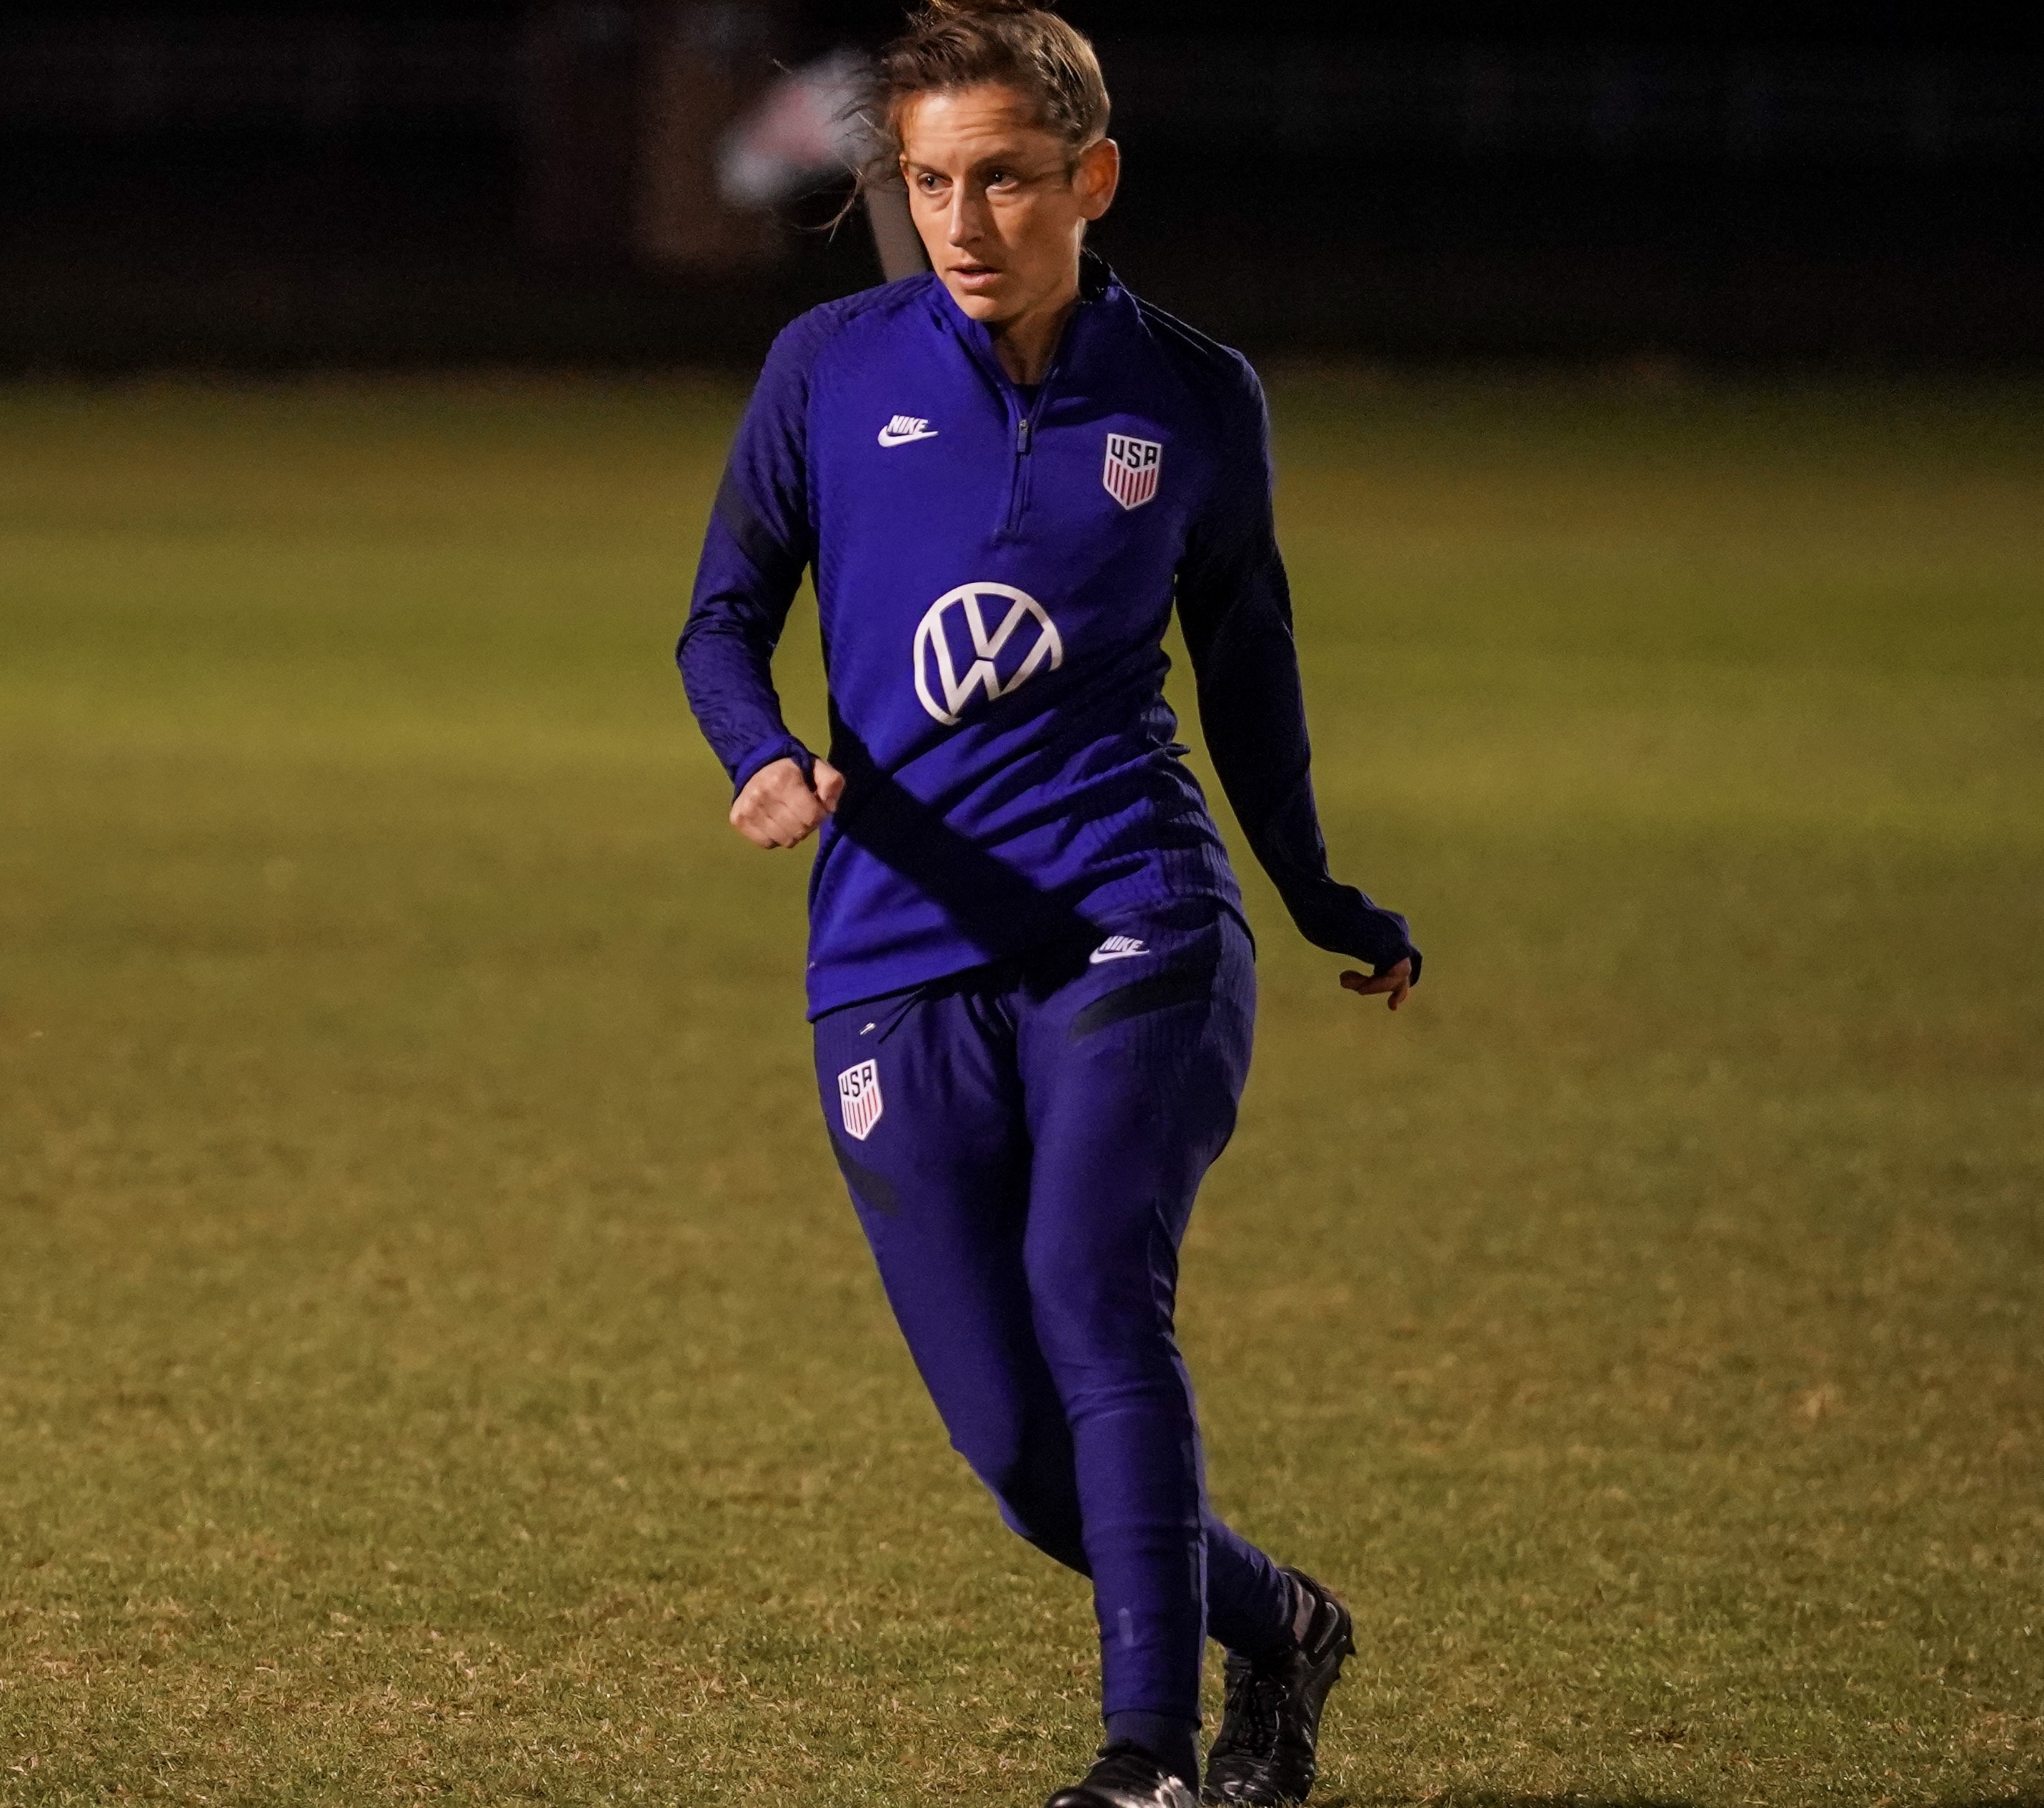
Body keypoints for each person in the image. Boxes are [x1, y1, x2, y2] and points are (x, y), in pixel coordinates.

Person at [672, 4, 1419, 1806]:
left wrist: (1309, 884)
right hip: (893, 941)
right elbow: (720, 616)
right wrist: (761, 753)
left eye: (1004, 178)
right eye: (929, 181)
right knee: (1023, 1457)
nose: (963, 220)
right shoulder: (827, 370)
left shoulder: (1193, 396)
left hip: (1132, 913)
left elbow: (1249, 666)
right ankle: (1283, 1626)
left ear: (1090, 179)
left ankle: (1144, 1759)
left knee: (1098, 1290)